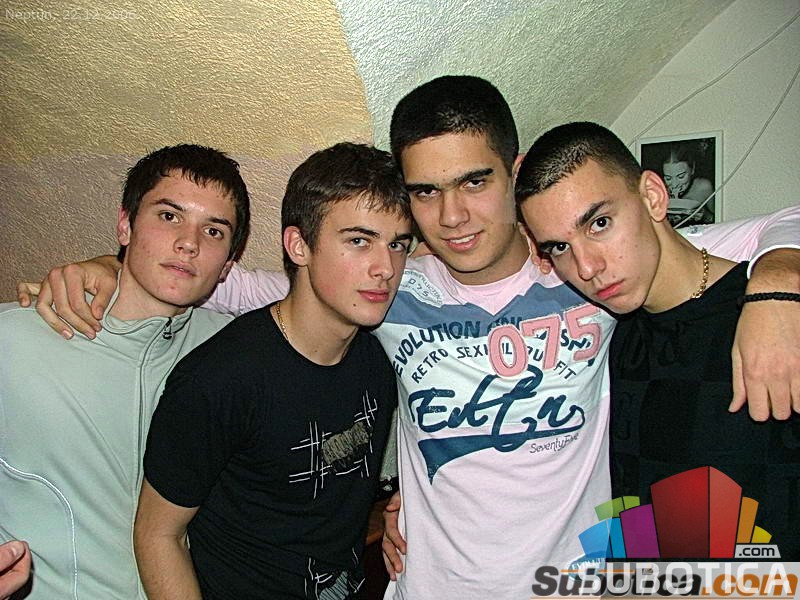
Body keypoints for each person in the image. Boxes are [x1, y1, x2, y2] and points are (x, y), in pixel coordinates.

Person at [18, 77, 800, 598]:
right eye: (425, 192)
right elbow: (220, 279)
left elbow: (761, 228)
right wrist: (105, 266)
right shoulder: (391, 289)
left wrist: (777, 284)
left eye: (474, 182)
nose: (451, 217)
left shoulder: (587, 267)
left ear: (513, 171)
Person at [133, 143, 413, 599]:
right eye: (359, 241)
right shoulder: (218, 379)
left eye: (397, 244)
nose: (385, 268)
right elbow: (157, 535)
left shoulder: (378, 358)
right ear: (299, 245)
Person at [514, 121, 800, 558]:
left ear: (652, 196)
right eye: (559, 247)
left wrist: (779, 282)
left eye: (600, 223)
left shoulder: (776, 316)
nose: (587, 268)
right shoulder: (607, 336)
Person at [0, 144, 250, 599]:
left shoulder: (237, 354)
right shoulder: (14, 340)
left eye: (213, 231)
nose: (189, 243)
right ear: (125, 225)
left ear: (228, 264)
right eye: (169, 216)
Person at [662, 144, 714, 226]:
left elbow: (721, 218)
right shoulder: (658, 189)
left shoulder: (704, 187)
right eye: (668, 178)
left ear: (692, 169)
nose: (674, 185)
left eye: (681, 176)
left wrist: (705, 216)